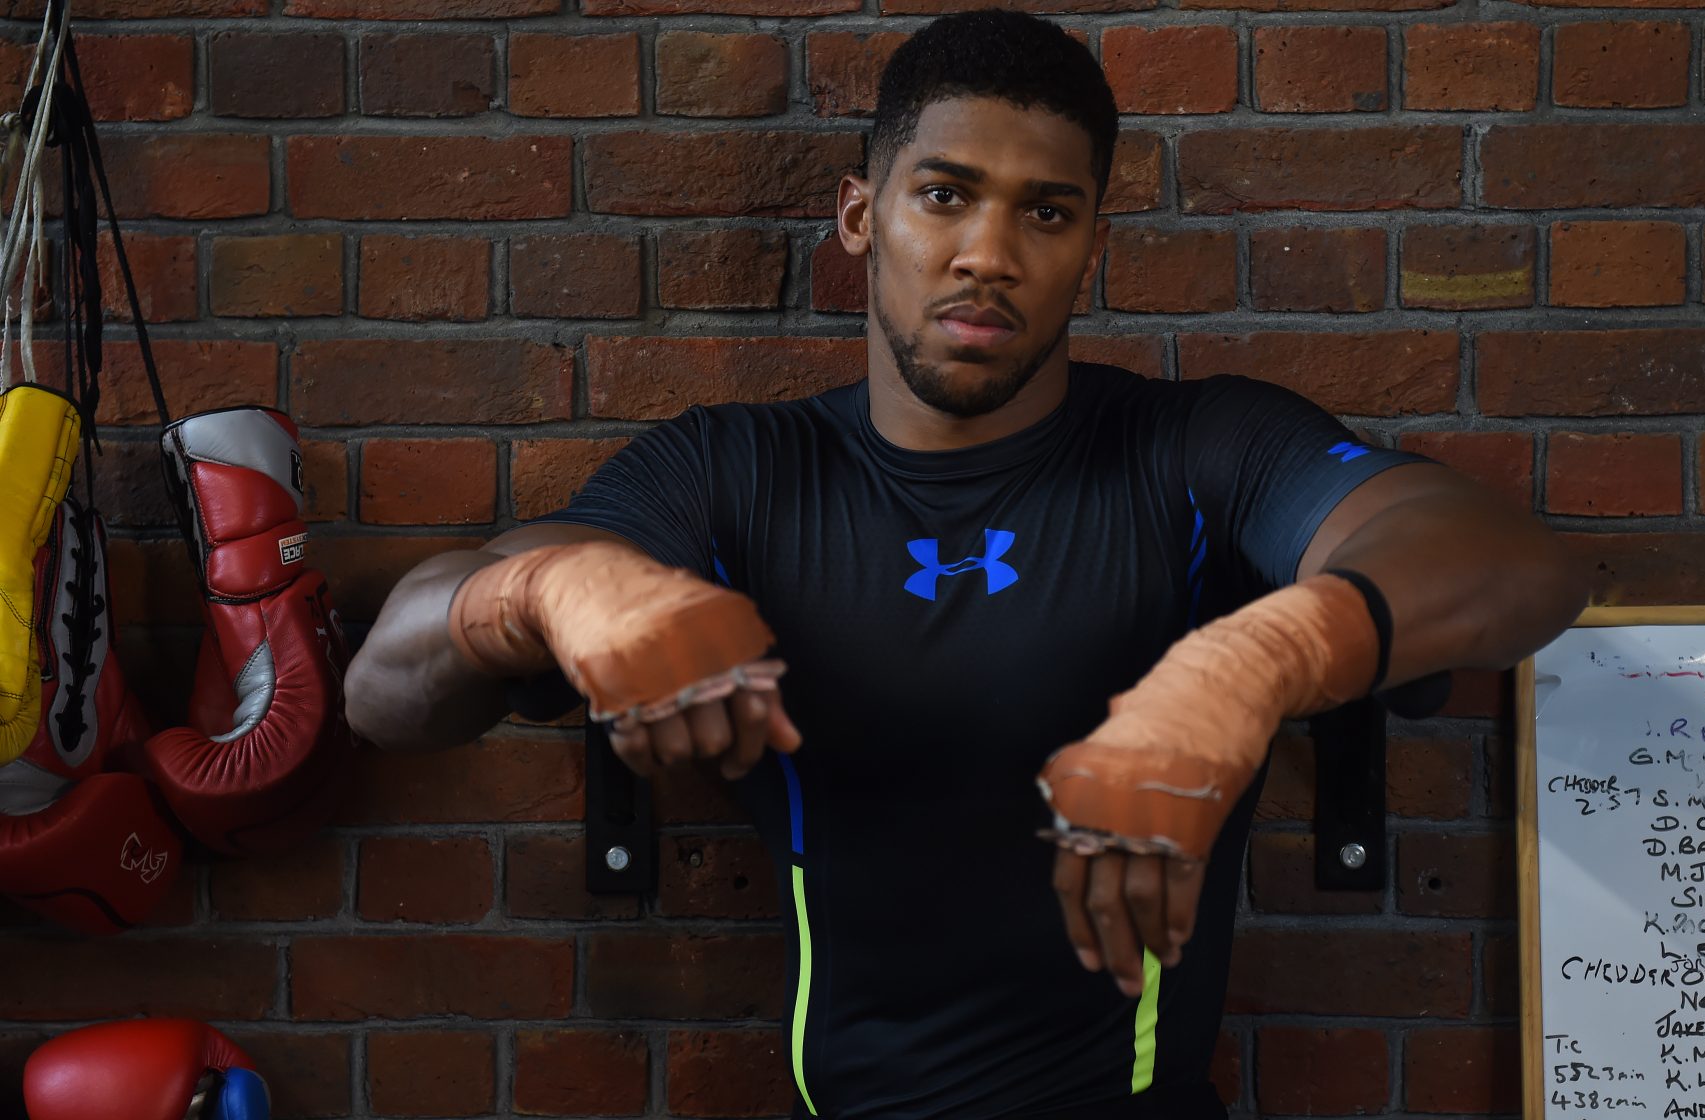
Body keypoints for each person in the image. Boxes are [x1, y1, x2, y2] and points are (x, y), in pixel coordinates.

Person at [344, 11, 1588, 1118]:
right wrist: (540, 590)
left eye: (1045, 212)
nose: (988, 252)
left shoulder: (1193, 452)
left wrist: (1258, 659)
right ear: (860, 216)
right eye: (945, 195)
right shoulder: (733, 474)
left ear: (1092, 242)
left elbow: (1516, 567)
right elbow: (383, 691)